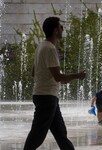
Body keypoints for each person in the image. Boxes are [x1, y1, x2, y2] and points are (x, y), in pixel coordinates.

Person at [23, 17, 86, 150]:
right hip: (46, 98)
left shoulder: (41, 46)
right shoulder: (50, 49)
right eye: (60, 27)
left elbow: (35, 73)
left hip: (47, 96)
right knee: (37, 134)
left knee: (60, 133)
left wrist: (55, 79)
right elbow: (58, 77)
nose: (62, 29)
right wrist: (77, 76)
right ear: (55, 30)